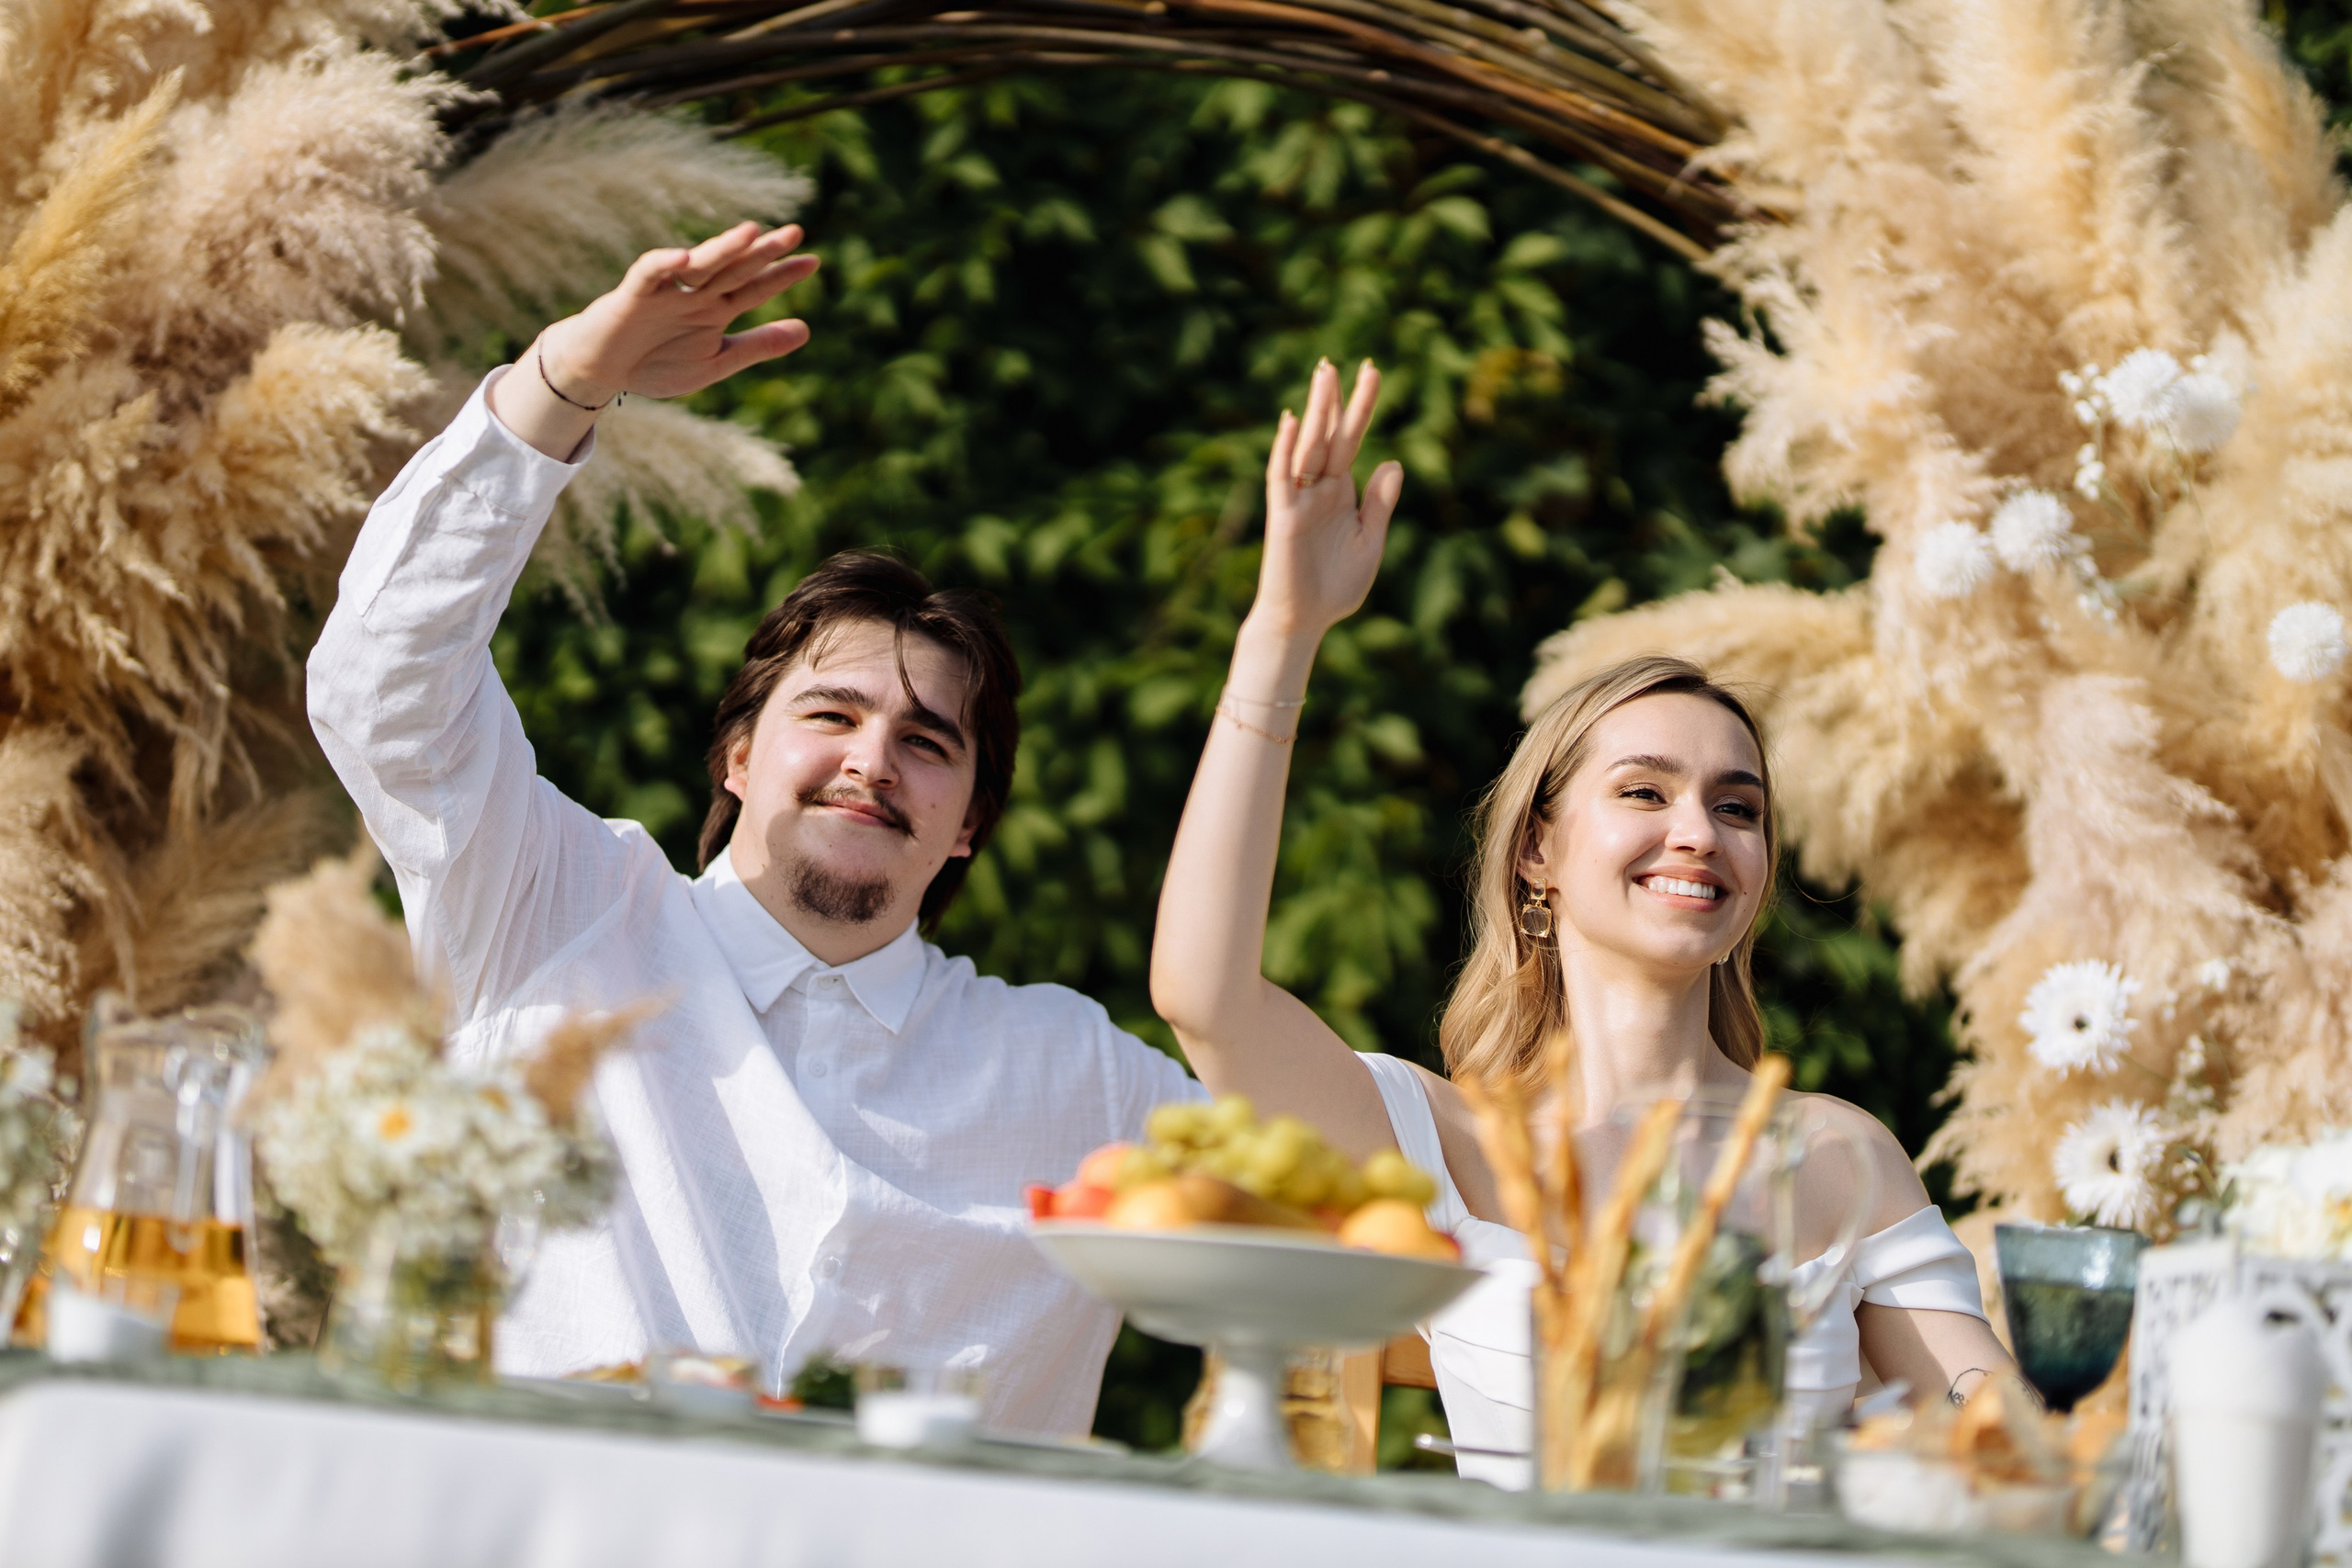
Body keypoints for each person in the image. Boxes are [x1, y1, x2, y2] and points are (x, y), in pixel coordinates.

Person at [309, 221, 1202, 1436]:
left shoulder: (1069, 1074)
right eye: (831, 713)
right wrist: (566, 381)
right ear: (737, 756)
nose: (871, 761)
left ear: (968, 826)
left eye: (927, 742)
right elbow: (382, 682)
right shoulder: (549, 906)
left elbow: (1329, 1187)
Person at [1149, 358, 2015, 1485]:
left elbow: (2003, 1444)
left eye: (1737, 808)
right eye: (1644, 792)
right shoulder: (1438, 1143)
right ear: (1537, 851)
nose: (1698, 831)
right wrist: (1283, 629)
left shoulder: (1837, 1157)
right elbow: (1202, 996)